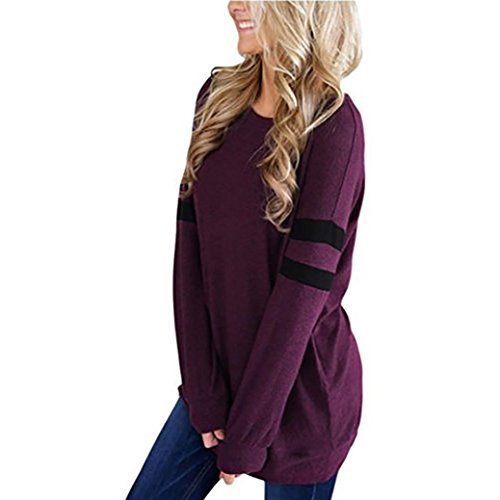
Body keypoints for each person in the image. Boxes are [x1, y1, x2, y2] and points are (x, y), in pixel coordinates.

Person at [126, 1, 365, 498]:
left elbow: (301, 297)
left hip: (301, 402)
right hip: (218, 380)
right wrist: (202, 392)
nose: (234, 4)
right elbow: (189, 258)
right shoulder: (217, 99)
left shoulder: (334, 125)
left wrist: (250, 431)